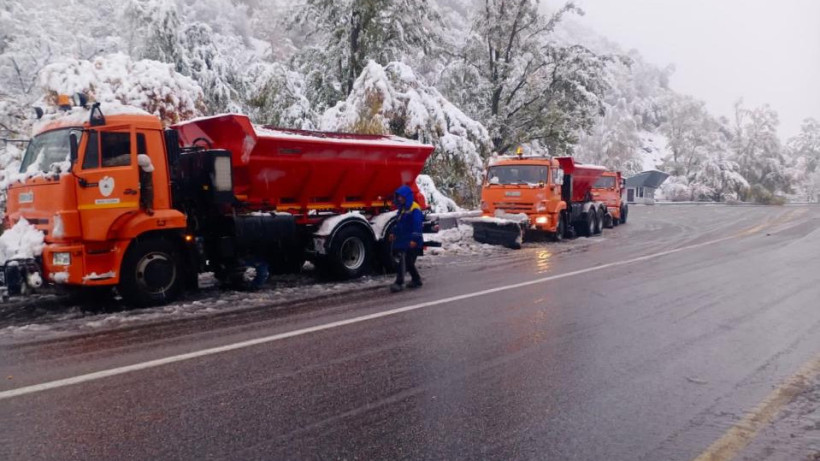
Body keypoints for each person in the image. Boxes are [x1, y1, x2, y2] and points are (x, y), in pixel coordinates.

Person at [389, 185, 424, 292]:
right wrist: (393, 233)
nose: (399, 199)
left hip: (413, 241)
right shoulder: (402, 209)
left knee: (405, 262)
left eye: (402, 197)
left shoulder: (415, 208)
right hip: (405, 240)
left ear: (407, 197)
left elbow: (417, 225)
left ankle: (399, 283)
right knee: (408, 262)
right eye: (398, 197)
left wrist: (414, 240)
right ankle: (416, 280)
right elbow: (399, 224)